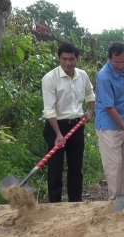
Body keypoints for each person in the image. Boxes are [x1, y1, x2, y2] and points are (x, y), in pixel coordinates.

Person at [42, 42, 95, 203]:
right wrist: (58, 134)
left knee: (75, 167)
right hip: (56, 127)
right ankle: (55, 204)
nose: (68, 63)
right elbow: (49, 110)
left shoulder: (82, 75)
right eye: (64, 59)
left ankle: (75, 202)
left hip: (77, 126)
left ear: (77, 58)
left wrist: (90, 111)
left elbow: (90, 93)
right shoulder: (50, 79)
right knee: (55, 167)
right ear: (59, 59)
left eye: (71, 59)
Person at [94, 41, 124, 200]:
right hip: (109, 126)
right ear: (109, 58)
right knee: (114, 166)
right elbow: (110, 108)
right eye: (117, 62)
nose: (121, 66)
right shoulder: (104, 77)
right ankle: (114, 200)